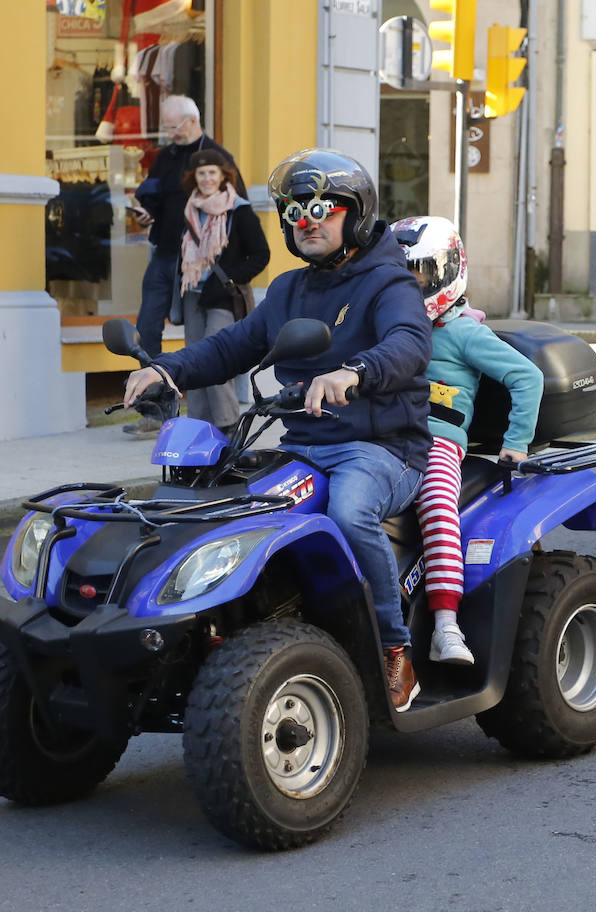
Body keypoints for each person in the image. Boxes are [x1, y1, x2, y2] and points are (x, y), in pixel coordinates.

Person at [123, 148, 431, 710]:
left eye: (322, 207)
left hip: (382, 449)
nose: (306, 219)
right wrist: (167, 369)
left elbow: (409, 345)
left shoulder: (391, 283)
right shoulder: (289, 290)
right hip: (307, 447)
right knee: (229, 510)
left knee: (349, 513)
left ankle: (394, 647)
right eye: (293, 210)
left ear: (356, 214)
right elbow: (233, 346)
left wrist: (356, 371)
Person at [391, 216, 544, 665]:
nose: (412, 285)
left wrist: (516, 443)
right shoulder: (390, 328)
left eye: (421, 274)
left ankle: (445, 626)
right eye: (402, 276)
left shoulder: (462, 332)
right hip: (384, 437)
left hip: (437, 442)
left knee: (438, 506)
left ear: (449, 270)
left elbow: (527, 377)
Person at [127, 95, 247, 437]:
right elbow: (154, 196)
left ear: (192, 121)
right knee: (147, 326)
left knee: (202, 339)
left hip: (198, 261)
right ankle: (153, 410)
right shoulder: (166, 156)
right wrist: (147, 212)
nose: (170, 134)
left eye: (174, 127)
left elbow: (235, 209)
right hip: (164, 252)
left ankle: (215, 417)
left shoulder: (217, 158)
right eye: (166, 127)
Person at [175, 148, 270, 434]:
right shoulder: (189, 209)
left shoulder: (238, 210)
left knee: (216, 357)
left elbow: (260, 255)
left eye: (212, 173)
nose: (206, 179)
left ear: (223, 175)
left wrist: (229, 278)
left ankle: (228, 424)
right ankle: (200, 426)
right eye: (201, 174)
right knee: (194, 361)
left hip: (223, 296)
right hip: (193, 293)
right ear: (194, 177)